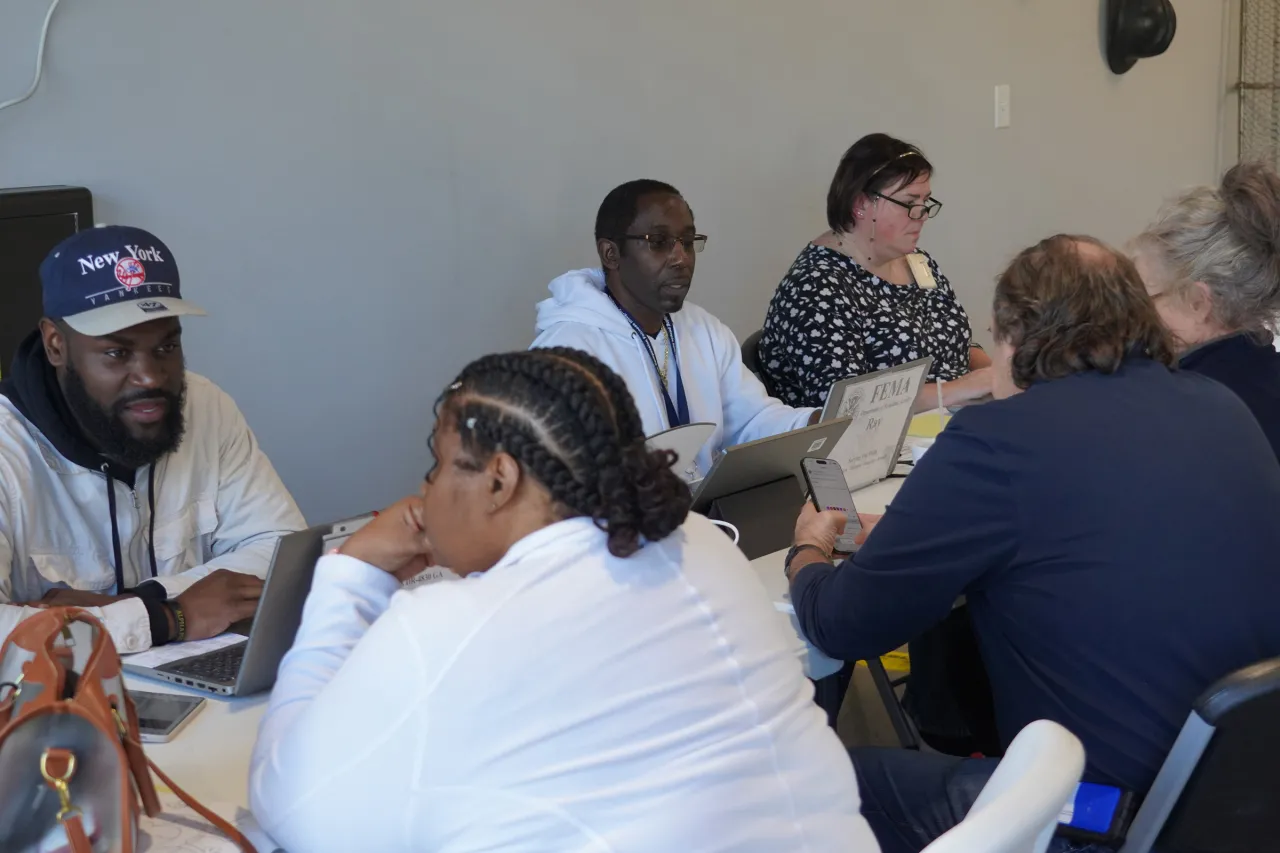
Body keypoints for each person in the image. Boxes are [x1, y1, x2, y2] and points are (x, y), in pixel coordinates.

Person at [250, 347, 875, 853]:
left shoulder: (445, 627)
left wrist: (351, 574)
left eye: (437, 466)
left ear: (499, 479)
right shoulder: (700, 542)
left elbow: (289, 805)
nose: (425, 489)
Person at [783, 235, 1280, 853]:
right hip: (1238, 797)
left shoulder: (998, 439)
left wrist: (806, 550)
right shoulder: (1219, 406)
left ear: (1018, 340)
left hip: (1100, 813)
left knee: (812, 784)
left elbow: (839, 624)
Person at [0, 226, 305, 653]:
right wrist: (167, 620)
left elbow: (280, 548)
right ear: (56, 345)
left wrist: (142, 604)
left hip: (197, 691)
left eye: (166, 347)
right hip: (53, 707)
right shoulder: (7, 446)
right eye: (117, 353)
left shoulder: (205, 405)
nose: (151, 377)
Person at [531, 179, 816, 479]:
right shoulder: (566, 352)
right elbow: (560, 479)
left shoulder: (704, 329)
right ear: (610, 254)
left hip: (708, 517)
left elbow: (752, 420)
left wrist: (818, 422)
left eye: (688, 242)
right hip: (628, 521)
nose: (681, 259)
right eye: (659, 242)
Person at [758, 133, 992, 411]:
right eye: (909, 203)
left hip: (946, 424)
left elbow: (954, 342)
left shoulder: (917, 262)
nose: (922, 215)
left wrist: (997, 374)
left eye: (925, 202)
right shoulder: (815, 286)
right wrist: (962, 389)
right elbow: (848, 403)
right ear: (860, 205)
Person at [1131, 161, 1280, 459]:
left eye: (1145, 297)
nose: (1132, 312)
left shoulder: (1181, 410)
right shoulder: (1267, 373)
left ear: (1198, 303)